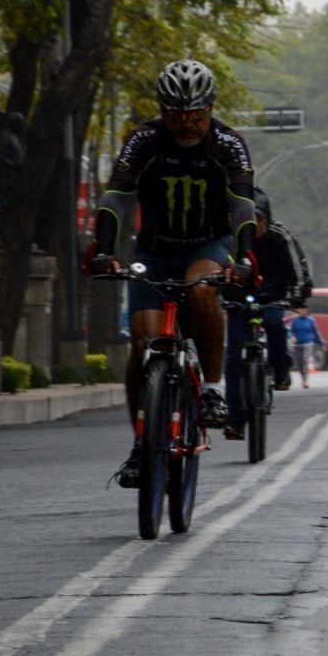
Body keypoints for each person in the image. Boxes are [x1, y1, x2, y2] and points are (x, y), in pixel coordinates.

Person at [91, 60, 255, 488]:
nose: (187, 125)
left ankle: (213, 388)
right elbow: (116, 197)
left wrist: (243, 258)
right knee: (142, 344)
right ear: (162, 111)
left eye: (197, 117)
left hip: (208, 245)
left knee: (202, 291)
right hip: (155, 248)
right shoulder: (144, 140)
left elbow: (242, 206)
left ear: (211, 108)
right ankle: (140, 445)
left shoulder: (228, 144)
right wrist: (104, 251)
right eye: (176, 117)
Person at [221, 190, 312, 439]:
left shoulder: (280, 237)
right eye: (251, 222)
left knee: (275, 324)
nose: (256, 227)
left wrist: (297, 294)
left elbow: (298, 271)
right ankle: (235, 419)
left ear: (267, 219)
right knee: (233, 358)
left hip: (273, 297)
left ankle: (281, 369)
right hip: (239, 301)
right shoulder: (229, 240)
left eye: (260, 221)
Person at [287, 306, 323, 384]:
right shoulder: (295, 321)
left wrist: (321, 343)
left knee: (305, 360)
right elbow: (290, 331)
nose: (302, 312)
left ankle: (305, 380)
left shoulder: (311, 320)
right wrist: (292, 337)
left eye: (304, 310)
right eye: (300, 310)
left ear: (307, 311)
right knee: (298, 363)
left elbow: (316, 332)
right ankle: (302, 376)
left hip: (308, 343)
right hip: (297, 344)